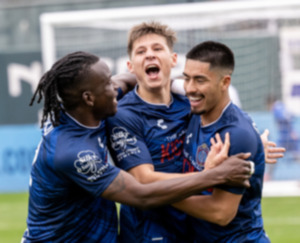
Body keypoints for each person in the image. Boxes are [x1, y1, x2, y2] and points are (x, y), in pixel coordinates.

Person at [21, 51, 253, 243]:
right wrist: (216, 175)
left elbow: (130, 79)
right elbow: (141, 195)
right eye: (107, 85)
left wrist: (195, 92)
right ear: (89, 98)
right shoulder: (74, 153)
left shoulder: (85, 110)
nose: (115, 88)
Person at [107, 22, 284, 242]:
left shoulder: (190, 101)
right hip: (148, 229)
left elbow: (226, 119)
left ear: (172, 60)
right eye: (141, 52)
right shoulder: (124, 115)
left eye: (157, 49)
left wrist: (252, 144)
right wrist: (207, 177)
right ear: (130, 66)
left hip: (191, 226)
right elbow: (142, 180)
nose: (150, 55)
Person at [180, 41, 270, 242]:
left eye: (200, 80)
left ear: (224, 82)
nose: (190, 88)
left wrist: (153, 194)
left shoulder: (236, 135)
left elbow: (221, 213)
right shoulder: (195, 112)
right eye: (186, 78)